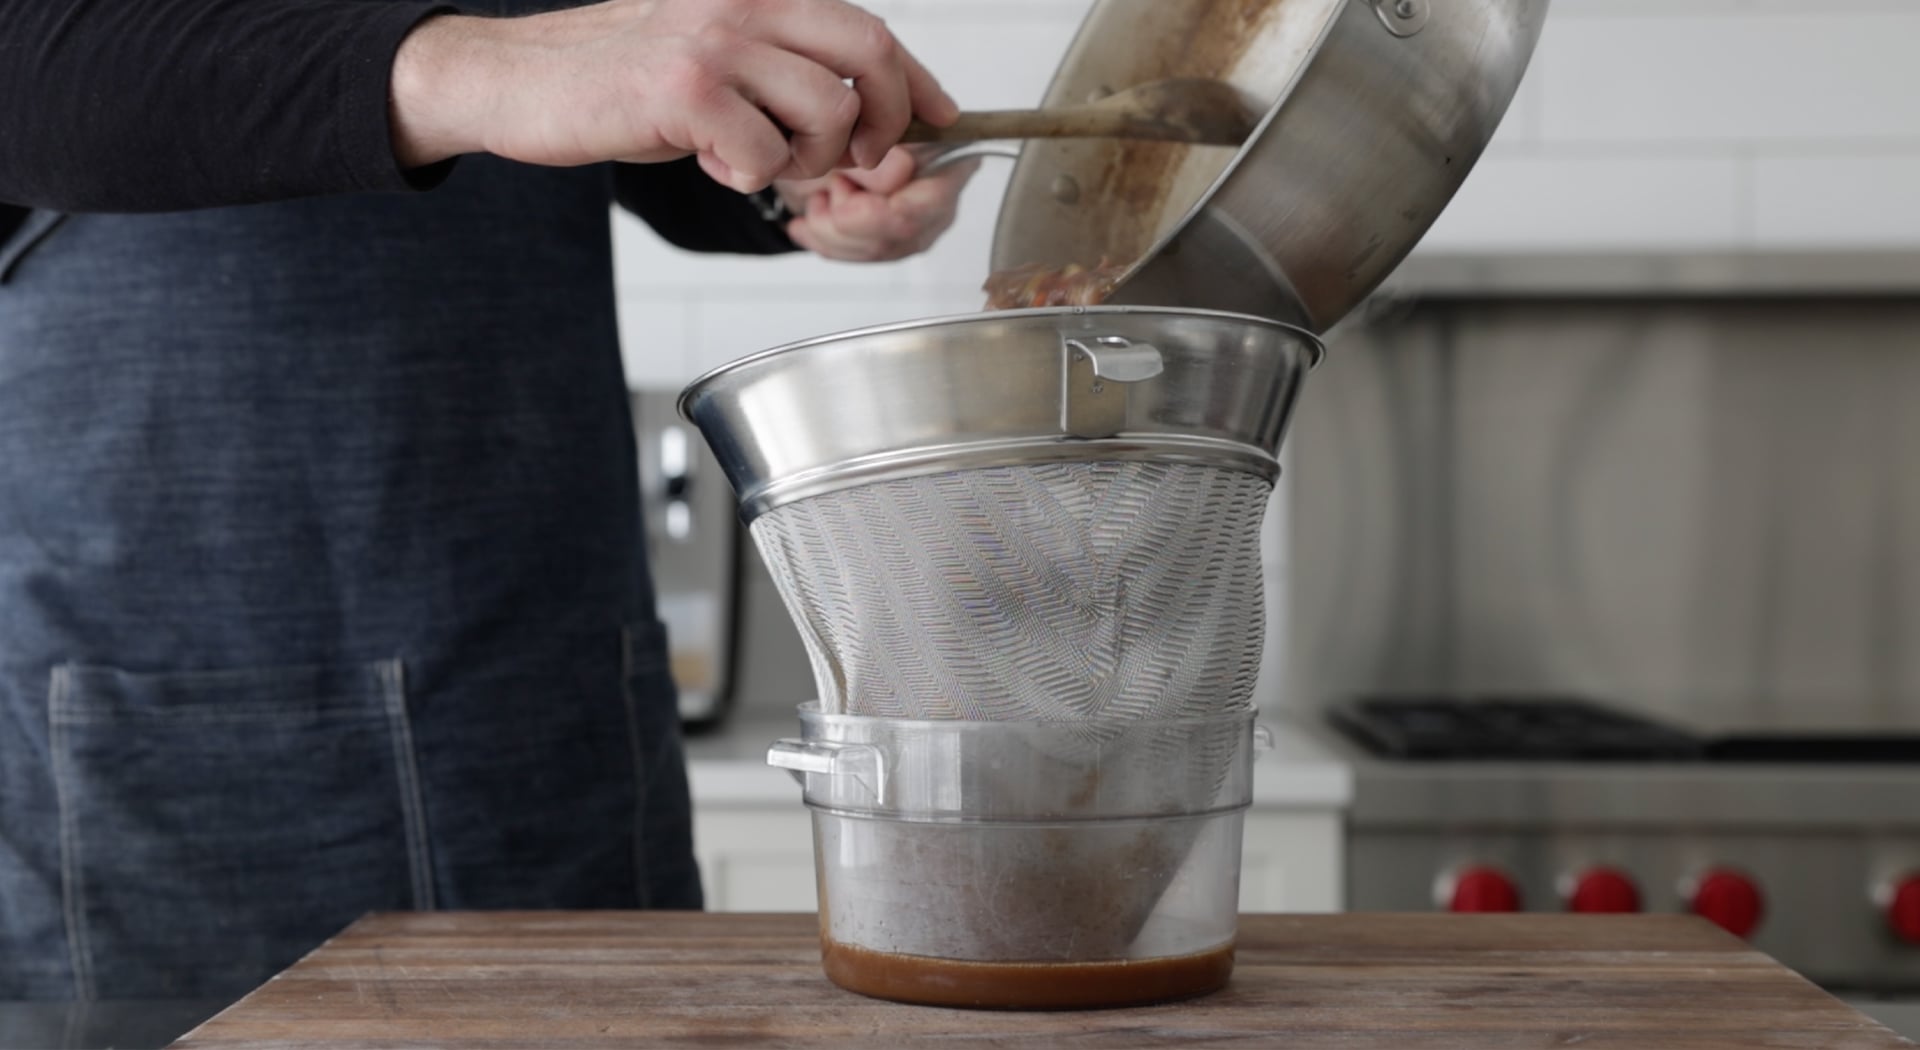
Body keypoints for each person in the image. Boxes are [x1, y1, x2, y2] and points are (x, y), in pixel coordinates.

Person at [0, 0, 973, 1002]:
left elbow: (613, 115)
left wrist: (782, 166)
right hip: (153, 720)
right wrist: (481, 67)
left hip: (545, 690)